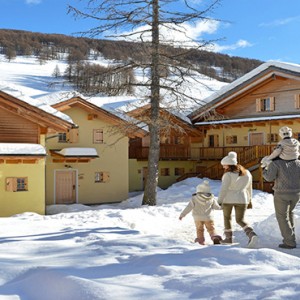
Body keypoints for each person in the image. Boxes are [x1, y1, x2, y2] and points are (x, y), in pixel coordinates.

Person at [218, 151, 257, 247]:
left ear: (229, 165)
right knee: (240, 219)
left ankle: (228, 239)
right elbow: (249, 187)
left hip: (228, 199)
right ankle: (251, 234)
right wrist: (250, 200)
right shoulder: (247, 173)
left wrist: (219, 201)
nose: (223, 167)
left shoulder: (228, 175)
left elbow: (224, 189)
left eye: (224, 165)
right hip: (242, 198)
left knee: (227, 218)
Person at [262, 156, 300, 249]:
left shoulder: (276, 163)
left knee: (282, 216)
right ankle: (291, 238)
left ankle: (289, 242)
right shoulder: (298, 162)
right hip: (296, 193)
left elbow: (269, 177)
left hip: (281, 193)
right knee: (289, 213)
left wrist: (265, 168)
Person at [179, 180, 222, 245]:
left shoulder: (194, 198)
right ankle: (214, 237)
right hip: (208, 217)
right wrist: (223, 207)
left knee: (199, 230)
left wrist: (182, 215)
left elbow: (189, 207)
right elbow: (217, 207)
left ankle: (201, 241)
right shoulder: (211, 198)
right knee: (211, 229)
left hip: (197, 217)